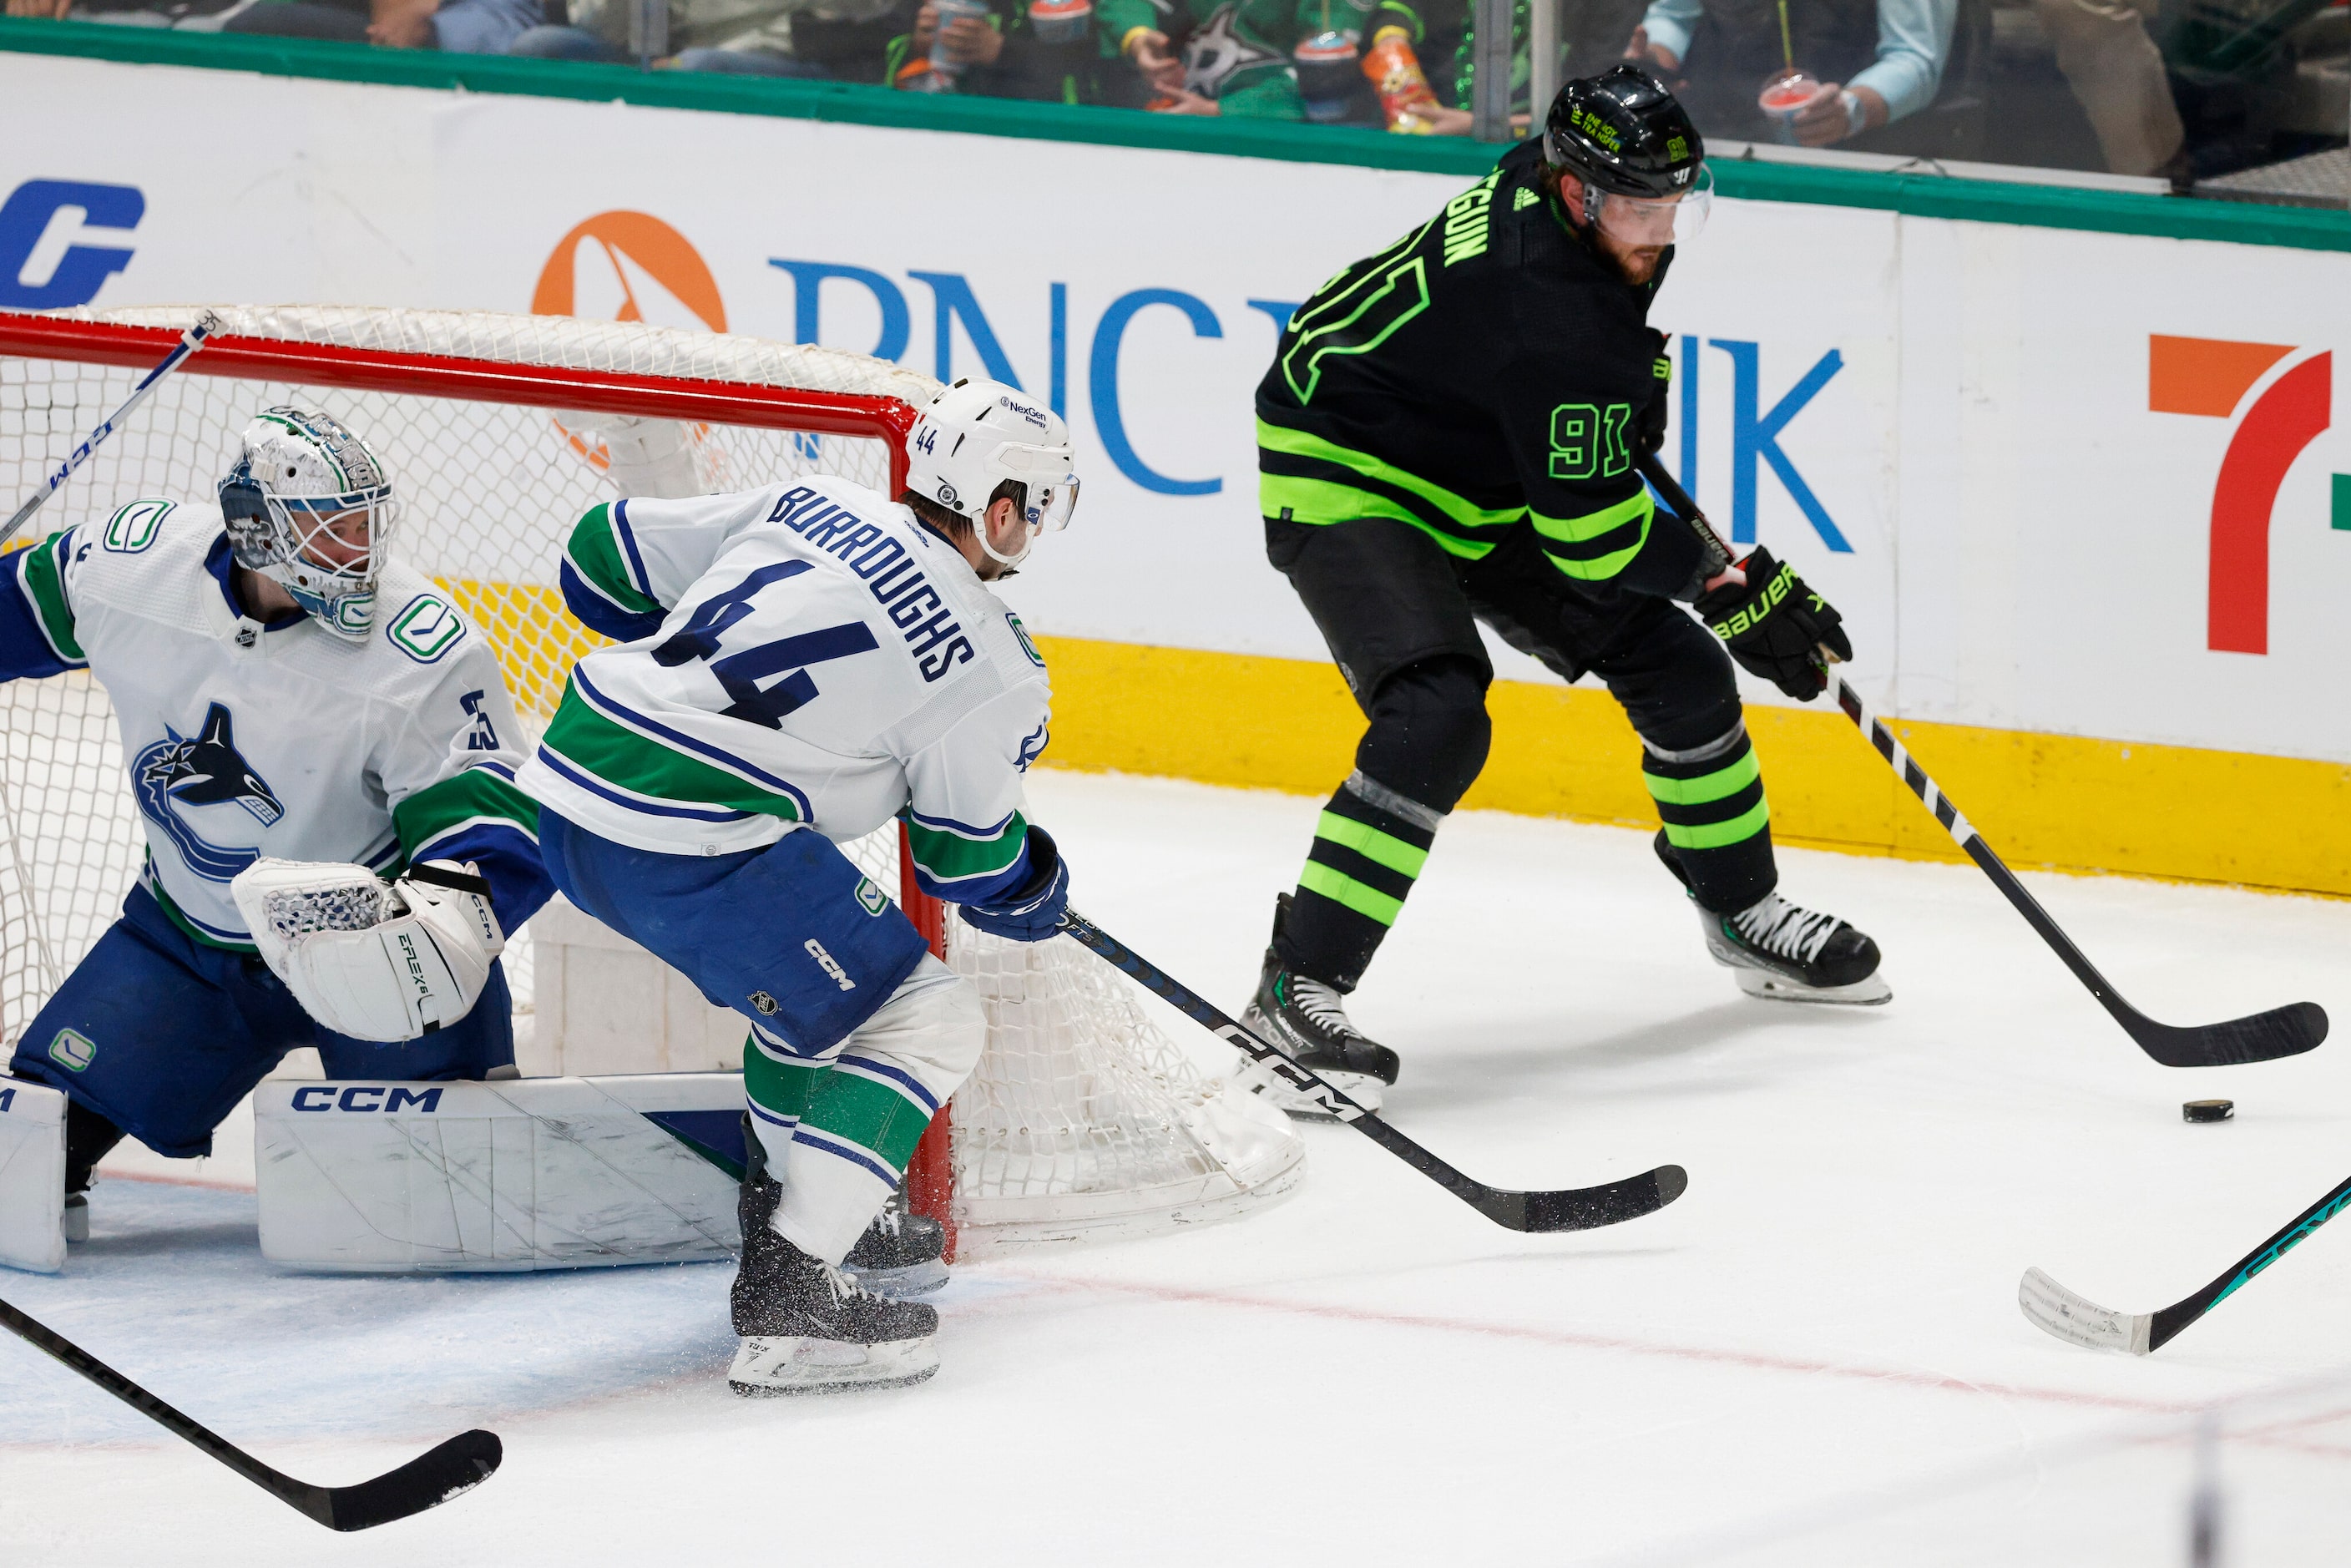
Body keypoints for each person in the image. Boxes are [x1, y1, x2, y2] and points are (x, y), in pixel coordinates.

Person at [1245, 65, 1888, 1115]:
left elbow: (1573, 436)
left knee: (1679, 675)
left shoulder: (1563, 209)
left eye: (1673, 203)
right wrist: (1723, 585)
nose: (1659, 229)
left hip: (1473, 457)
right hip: (1347, 462)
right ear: (1576, 192)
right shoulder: (1547, 307)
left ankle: (1740, 911)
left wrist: (1639, 461)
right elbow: (1591, 545)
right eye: (1638, 206)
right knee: (1436, 717)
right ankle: (1293, 988)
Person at [516, 378, 1077, 1395]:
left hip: (566, 790)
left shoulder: (809, 501)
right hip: (691, 838)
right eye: (1038, 507)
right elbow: (967, 865)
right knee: (928, 1022)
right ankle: (789, 1293)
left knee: (815, 1015)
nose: (1035, 528)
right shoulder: (994, 666)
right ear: (1001, 509)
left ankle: (803, 1212)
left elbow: (596, 561)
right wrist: (1033, 881)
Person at [0, 408, 550, 1257]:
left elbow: (489, 810)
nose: (358, 550)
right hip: (187, 943)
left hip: (376, 957)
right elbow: (18, 613)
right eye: (331, 531)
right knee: (22, 1161)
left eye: (364, 523)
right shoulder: (130, 567)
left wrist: (447, 926)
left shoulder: (420, 648)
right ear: (256, 531)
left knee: (449, 1213)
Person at [1625, 0, 1954, 147]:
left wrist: (1851, 110)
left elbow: (1915, 56)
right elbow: (1673, 14)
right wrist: (1654, 60)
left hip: (1857, 156)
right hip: (1722, 142)